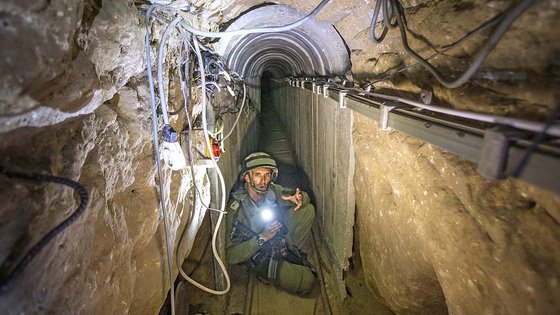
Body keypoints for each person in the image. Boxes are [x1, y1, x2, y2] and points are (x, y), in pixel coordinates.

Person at [225, 152, 317, 295]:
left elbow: (298, 195)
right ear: (247, 177)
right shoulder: (236, 209)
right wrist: (262, 237)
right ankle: (266, 273)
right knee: (307, 281)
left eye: (267, 175)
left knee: (307, 211)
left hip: (277, 238)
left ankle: (289, 250)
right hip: (259, 255)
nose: (263, 181)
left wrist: (300, 198)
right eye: (257, 175)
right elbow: (230, 255)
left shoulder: (271, 190)